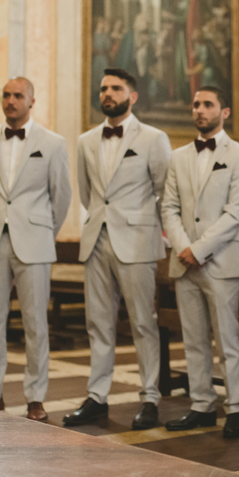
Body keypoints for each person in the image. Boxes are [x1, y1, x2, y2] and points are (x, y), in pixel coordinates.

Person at [64, 70, 172, 431]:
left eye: (115, 88)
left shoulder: (154, 139)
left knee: (143, 322)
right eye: (104, 88)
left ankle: (150, 398)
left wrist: (150, 231)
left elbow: (164, 192)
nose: (108, 94)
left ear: (133, 96)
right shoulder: (85, 140)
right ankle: (97, 396)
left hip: (138, 241)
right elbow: (87, 191)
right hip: (96, 238)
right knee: (98, 322)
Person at [0, 78, 71, 421]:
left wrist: (43, 231)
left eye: (17, 96)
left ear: (32, 100)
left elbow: (61, 197)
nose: (10, 101)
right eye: (6, 96)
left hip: (35, 242)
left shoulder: (53, 143)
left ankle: (35, 398)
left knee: (35, 323)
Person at [160, 86, 239, 439]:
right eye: (196, 104)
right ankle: (201, 404)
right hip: (184, 262)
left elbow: (236, 211)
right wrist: (183, 247)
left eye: (208, 105)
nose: (200, 110)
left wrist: (199, 249)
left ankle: (235, 408)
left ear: (224, 112)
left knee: (226, 339)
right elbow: (168, 206)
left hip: (220, 261)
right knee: (194, 338)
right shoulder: (178, 156)